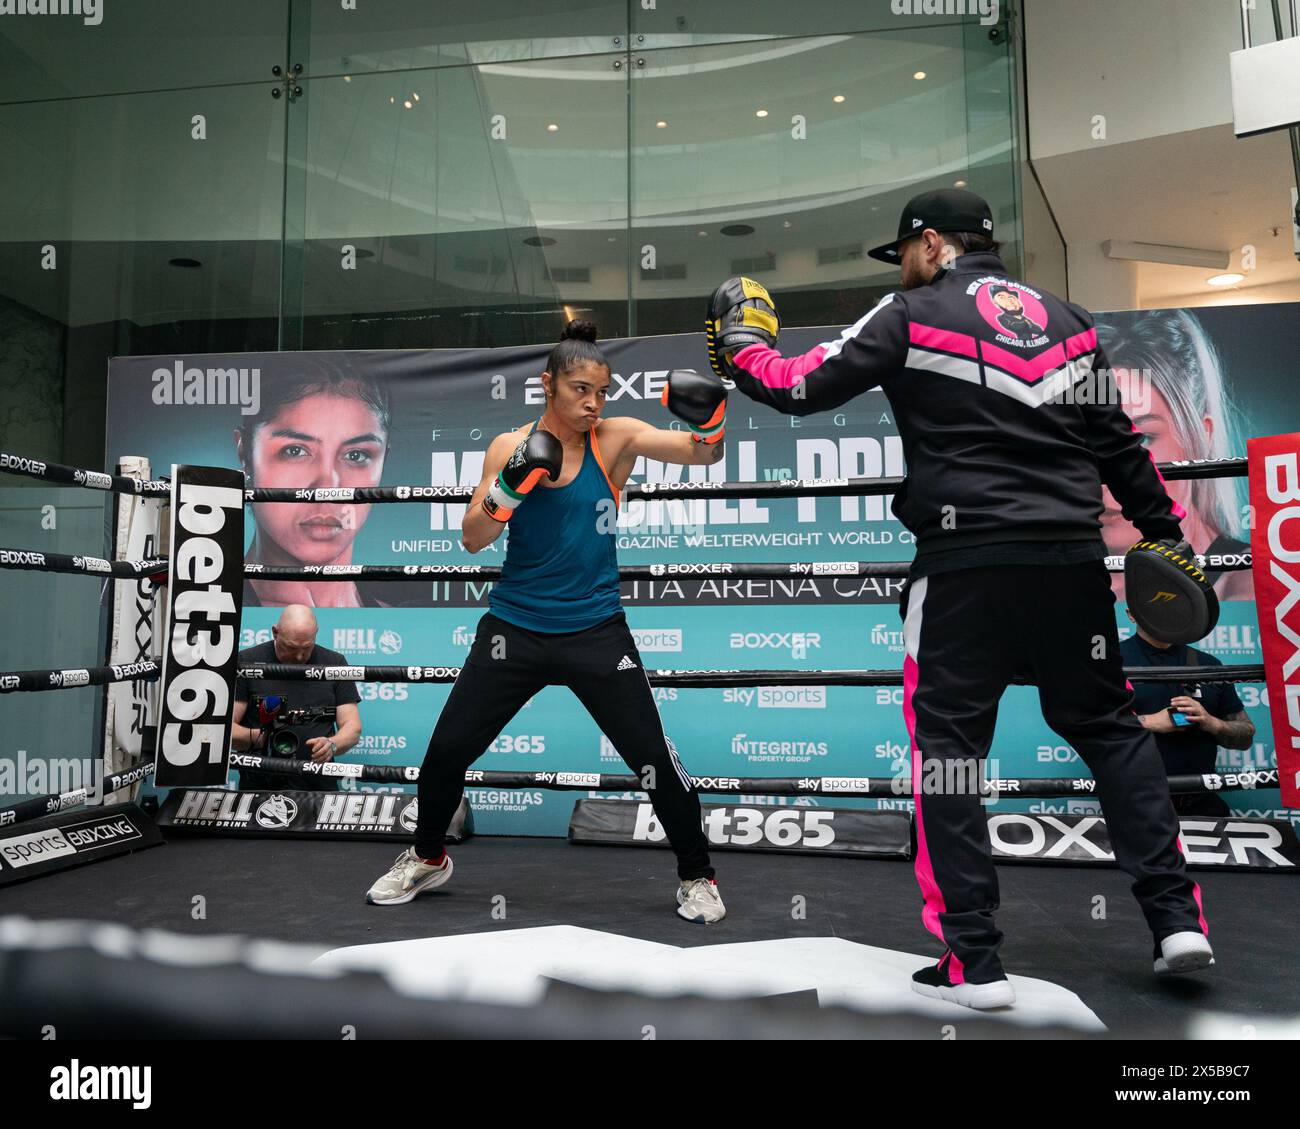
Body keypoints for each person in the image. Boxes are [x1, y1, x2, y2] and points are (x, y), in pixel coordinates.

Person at [711, 187, 1213, 1007]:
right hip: (1070, 565)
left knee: (946, 756)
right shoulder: (1069, 322)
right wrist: (1165, 538)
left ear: (932, 242)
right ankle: (1177, 921)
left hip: (964, 570)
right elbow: (1119, 448)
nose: (900, 266)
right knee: (1114, 733)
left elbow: (802, 384)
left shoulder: (910, 312)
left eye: (903, 251)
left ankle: (973, 963)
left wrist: (741, 350)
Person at [366, 321, 729, 924]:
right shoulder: (507, 445)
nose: (592, 403)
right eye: (580, 390)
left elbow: (701, 453)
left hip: (596, 631)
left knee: (653, 762)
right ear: (547, 385)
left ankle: (698, 876)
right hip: (516, 629)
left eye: (602, 392)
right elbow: (472, 538)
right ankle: (428, 858)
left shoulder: (616, 439)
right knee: (445, 754)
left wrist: (713, 421)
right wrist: (509, 487)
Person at [1095, 311, 1252, 601]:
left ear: (1201, 436)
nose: (1108, 474)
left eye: (1140, 438)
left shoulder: (1246, 583)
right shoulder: (1070, 585)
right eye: (1087, 441)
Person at [236, 358, 412, 608]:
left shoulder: (396, 620)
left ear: (384, 459)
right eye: (295, 451)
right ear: (245, 452)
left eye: (356, 455)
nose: (327, 487)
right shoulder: (213, 612)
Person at [1121, 608, 1255, 817]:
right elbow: (1090, 725)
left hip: (1201, 802)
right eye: (1150, 607)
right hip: (1137, 804)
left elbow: (1245, 737)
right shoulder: (1112, 663)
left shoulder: (1207, 664)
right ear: (1132, 614)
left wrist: (1211, 722)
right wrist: (1147, 722)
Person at [231, 604, 363, 792]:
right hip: (259, 782)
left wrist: (331, 745)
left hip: (317, 784)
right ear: (275, 633)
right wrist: (261, 738)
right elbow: (227, 729)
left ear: (316, 633)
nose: (300, 656)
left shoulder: (334, 663)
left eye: (307, 648)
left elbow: (352, 727)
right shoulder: (246, 662)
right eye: (291, 648)